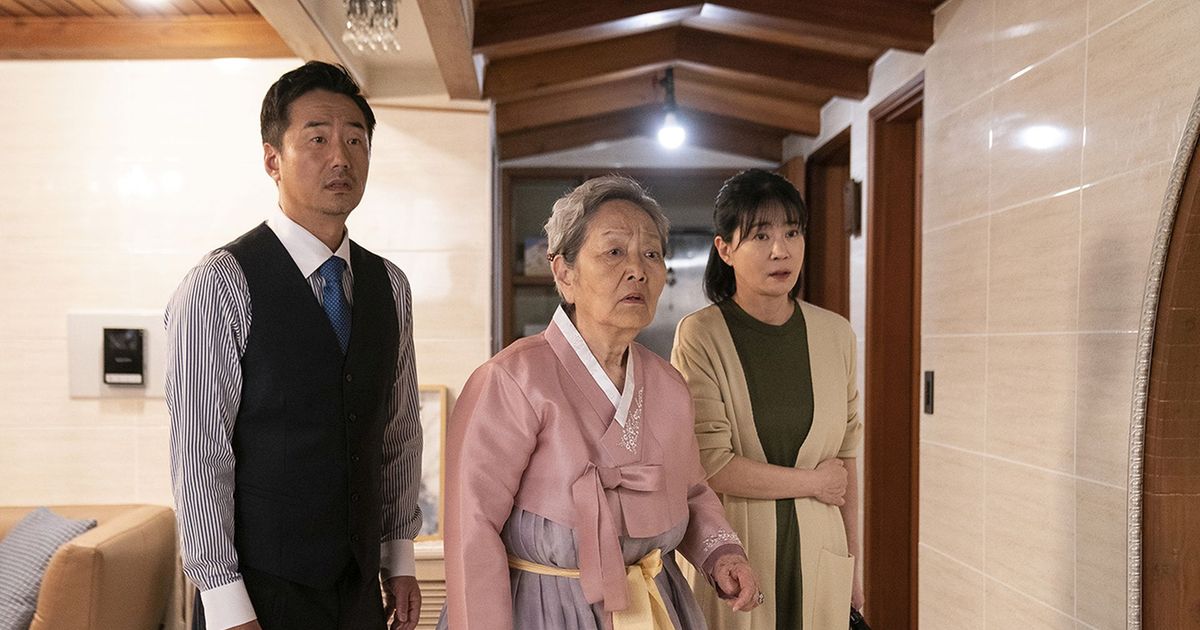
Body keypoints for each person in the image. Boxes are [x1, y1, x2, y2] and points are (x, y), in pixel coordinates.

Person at [165, 61, 422, 630]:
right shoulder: (219, 283)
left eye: (355, 139)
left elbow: (398, 432)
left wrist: (398, 558)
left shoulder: (390, 285)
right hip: (259, 593)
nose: (341, 157)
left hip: (359, 589)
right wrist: (226, 603)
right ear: (272, 160)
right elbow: (200, 454)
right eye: (318, 139)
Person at [440, 176, 761, 629]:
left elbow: (691, 493)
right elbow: (471, 531)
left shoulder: (669, 385)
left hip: (654, 604)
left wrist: (721, 554)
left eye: (651, 254)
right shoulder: (510, 380)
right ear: (564, 273)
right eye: (614, 252)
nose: (638, 270)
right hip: (542, 610)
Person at [670, 169, 863, 630]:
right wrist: (813, 483)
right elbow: (712, 465)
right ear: (725, 249)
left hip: (822, 553)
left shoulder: (835, 334)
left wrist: (854, 567)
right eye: (760, 235)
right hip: (738, 557)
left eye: (792, 233)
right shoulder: (701, 335)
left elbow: (847, 462)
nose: (781, 250)